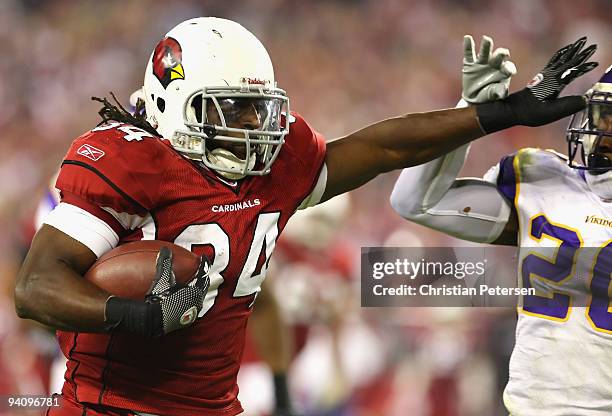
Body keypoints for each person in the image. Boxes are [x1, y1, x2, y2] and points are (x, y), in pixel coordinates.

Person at [13, 16, 595, 415]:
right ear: (170, 98)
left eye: (257, 109)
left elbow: (382, 148)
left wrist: (498, 114)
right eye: (233, 110)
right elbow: (36, 288)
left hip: (216, 405)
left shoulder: (271, 164)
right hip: (109, 405)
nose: (253, 127)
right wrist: (134, 314)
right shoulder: (125, 160)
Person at [390, 36, 611, 415]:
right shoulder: (544, 179)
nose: (601, 128)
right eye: (602, 114)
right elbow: (414, 201)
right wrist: (475, 113)